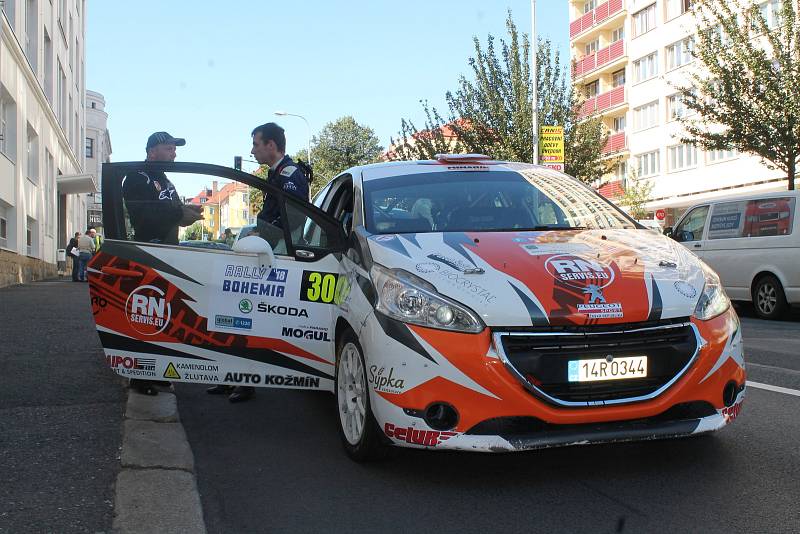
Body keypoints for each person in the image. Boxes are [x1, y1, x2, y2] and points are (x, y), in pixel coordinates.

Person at [207, 123, 311, 404]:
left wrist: (261, 233)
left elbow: (294, 220)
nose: (252, 150)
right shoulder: (277, 173)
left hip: (275, 259)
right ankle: (231, 377)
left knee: (250, 319)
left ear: (272, 145)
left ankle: (245, 380)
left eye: (256, 144)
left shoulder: (290, 175)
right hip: (266, 253)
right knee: (237, 316)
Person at [122, 131, 203, 245]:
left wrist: (189, 211)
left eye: (175, 150)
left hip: (168, 249)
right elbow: (143, 215)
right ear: (152, 152)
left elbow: (174, 212)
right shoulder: (136, 177)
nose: (174, 154)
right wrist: (180, 214)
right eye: (169, 149)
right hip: (148, 251)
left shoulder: (166, 181)